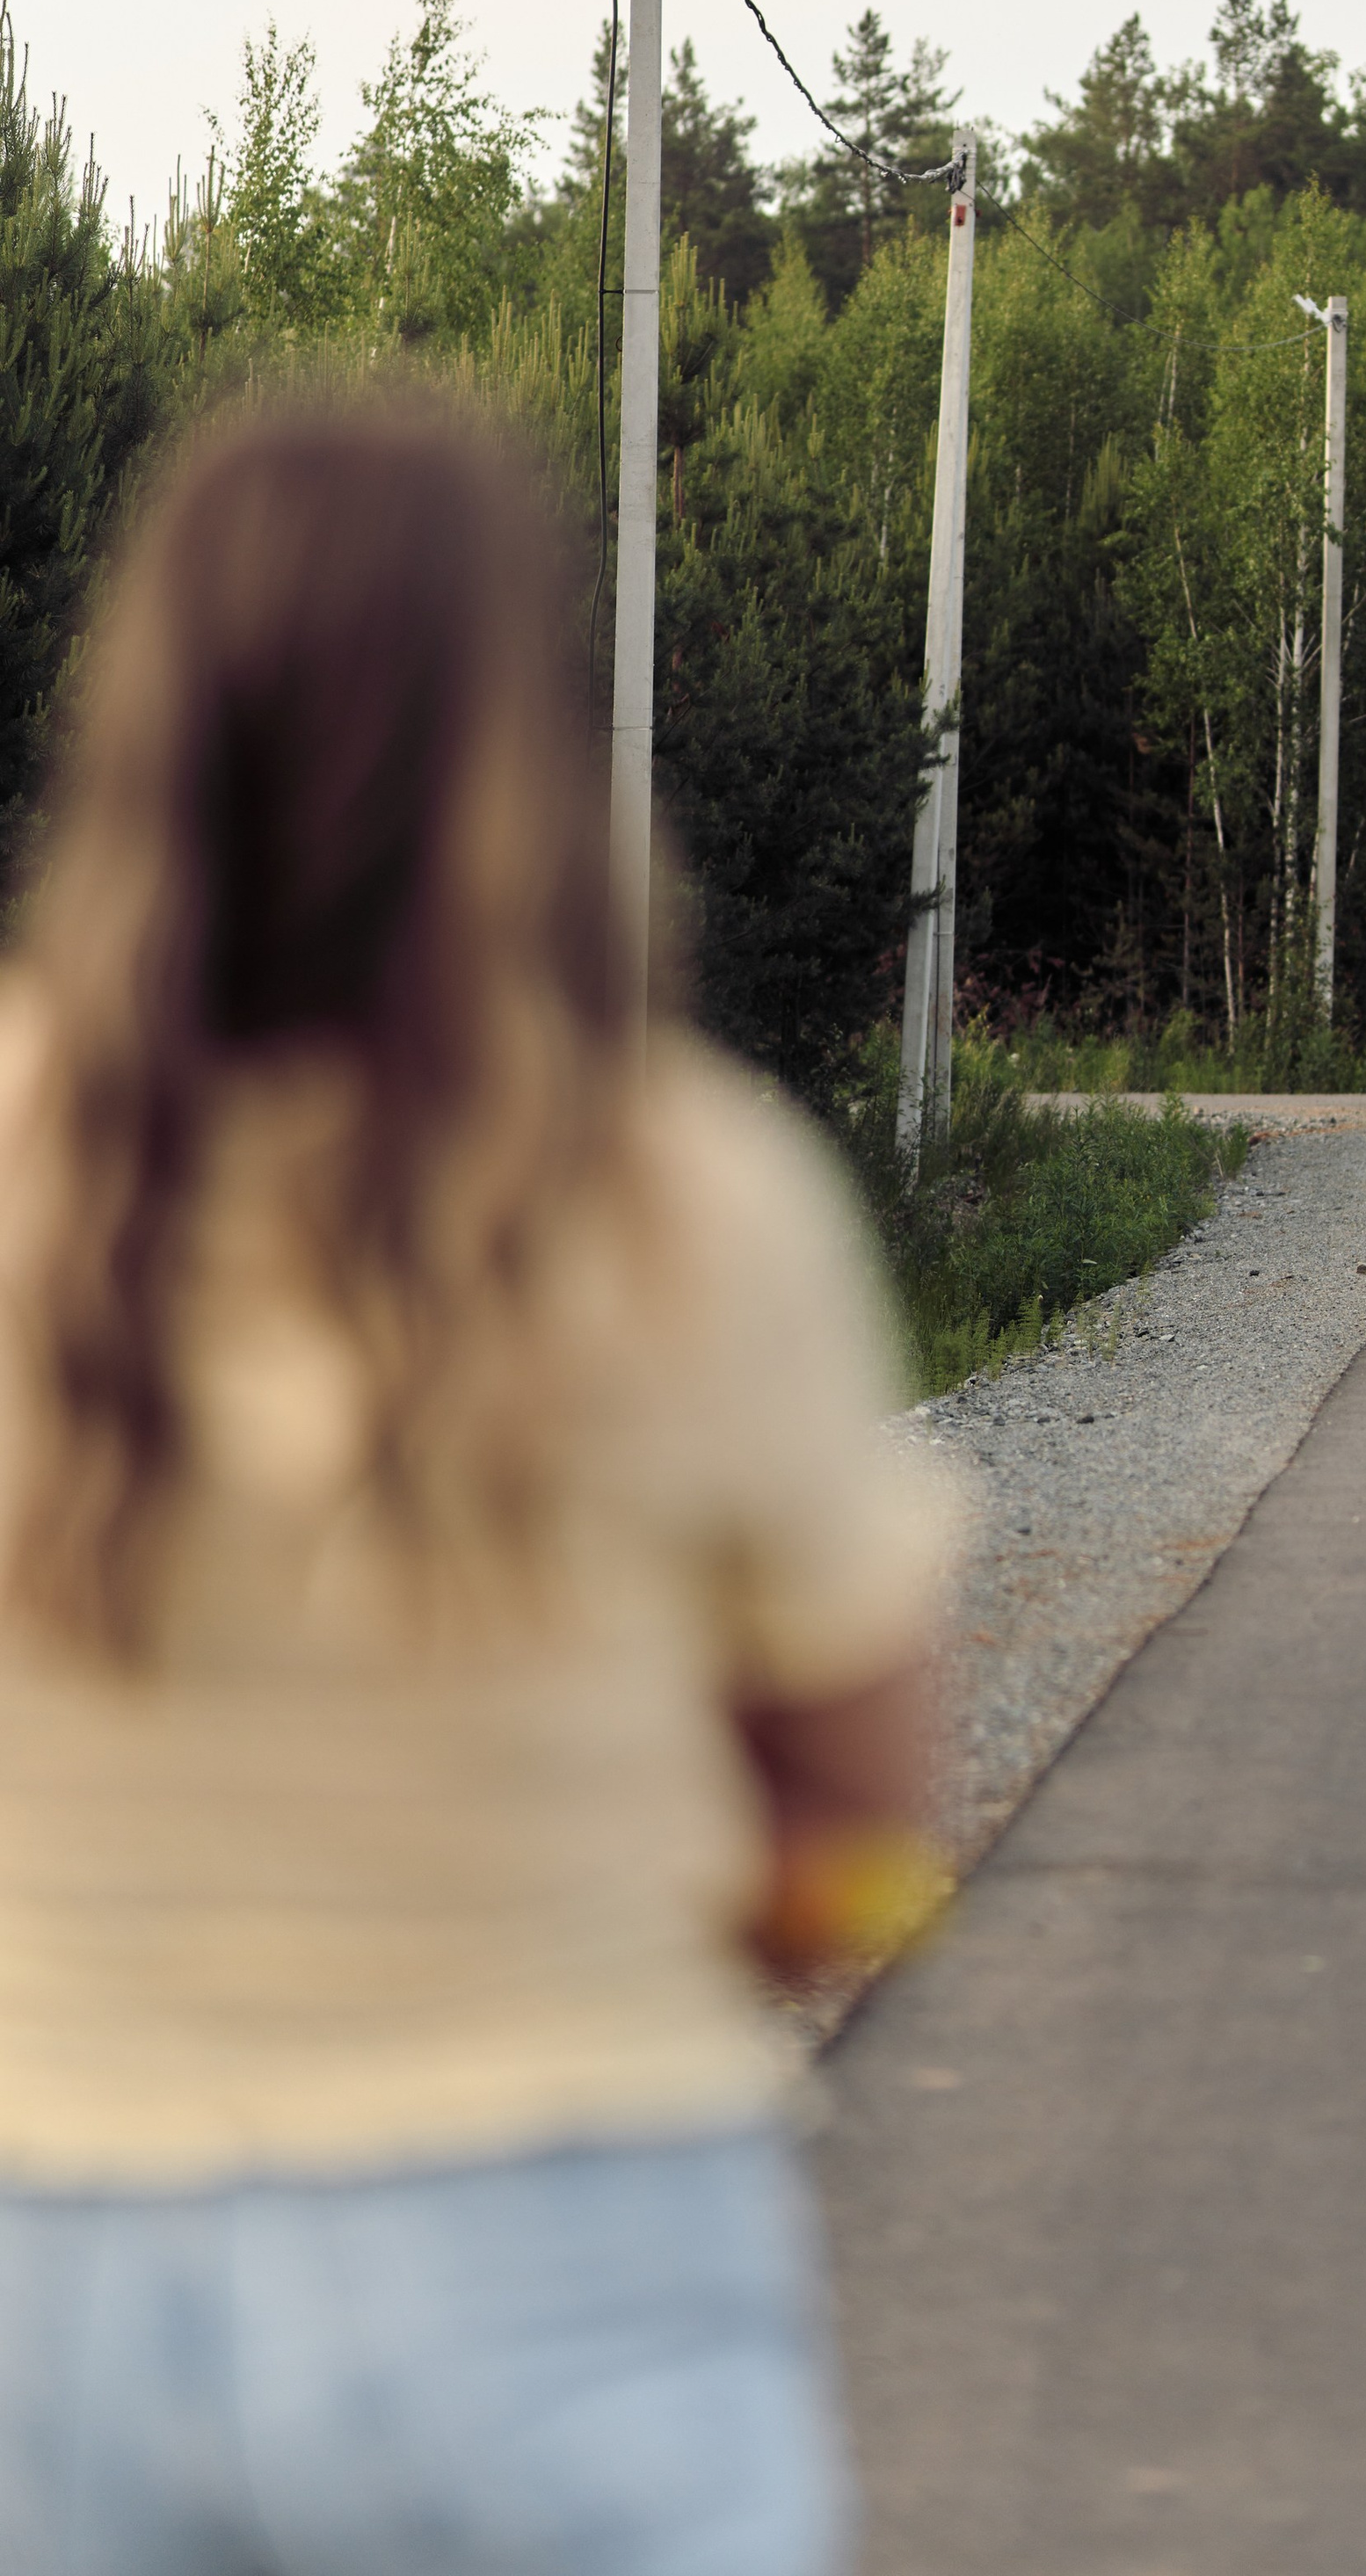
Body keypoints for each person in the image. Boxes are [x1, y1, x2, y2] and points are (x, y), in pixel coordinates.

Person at [0, 398, 953, 2574]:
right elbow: (867, 1812)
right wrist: (734, 1929)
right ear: (503, 738)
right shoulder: (682, 1189)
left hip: (39, 2254)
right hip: (566, 2227)